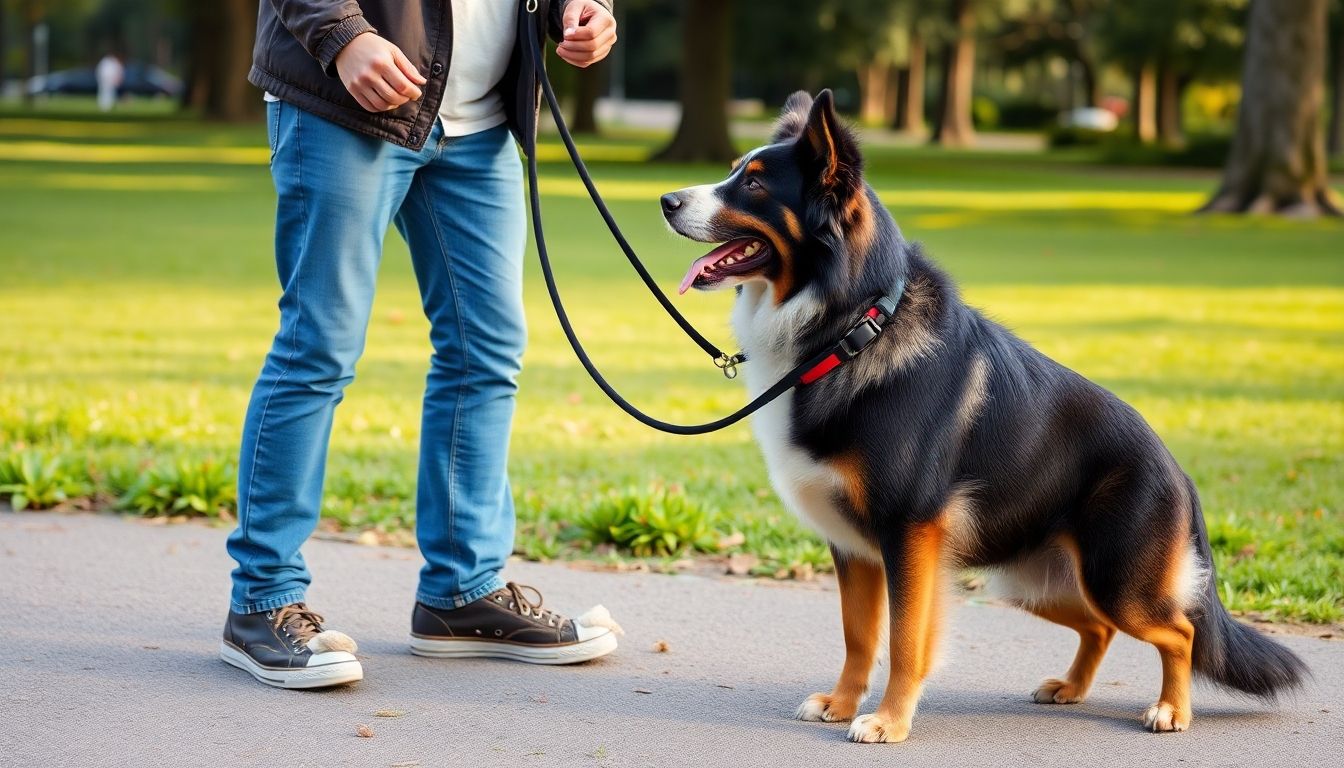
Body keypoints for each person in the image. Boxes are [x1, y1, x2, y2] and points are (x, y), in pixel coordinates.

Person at [221, 0, 620, 689]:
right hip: (343, 105)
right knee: (319, 347)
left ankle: (461, 595)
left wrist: (582, 8)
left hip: (479, 121)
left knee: (487, 353)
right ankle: (262, 603)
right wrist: (342, 36)